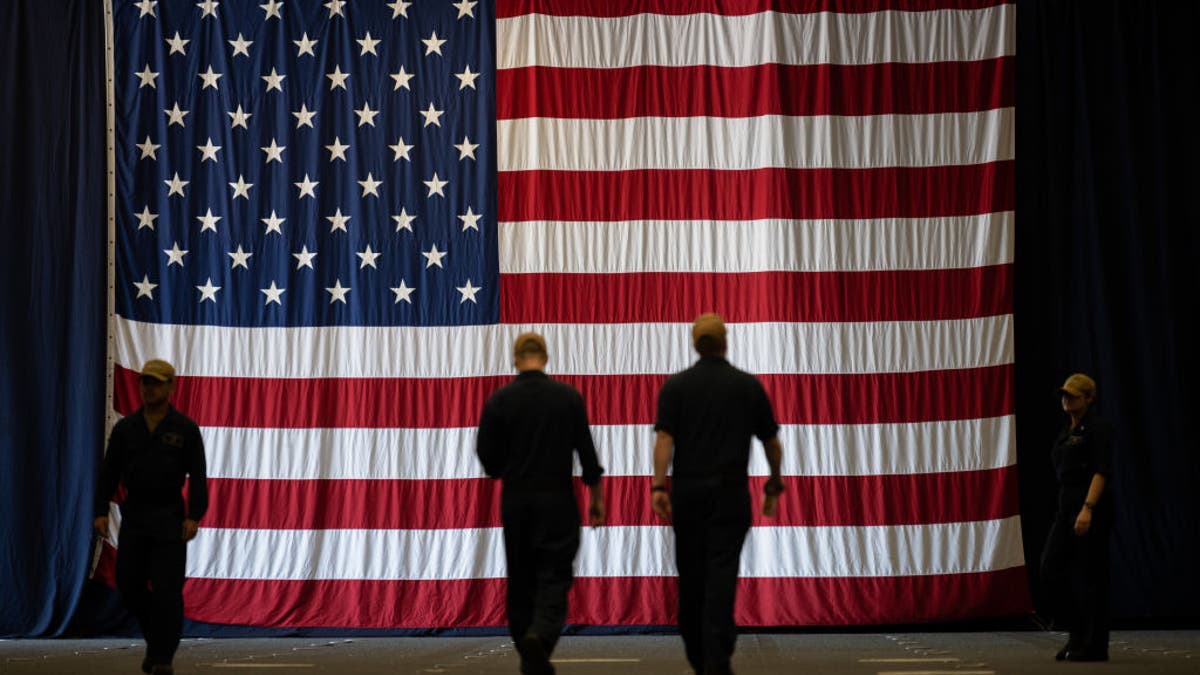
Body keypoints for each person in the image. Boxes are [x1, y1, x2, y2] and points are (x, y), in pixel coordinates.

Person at [651, 313, 784, 675]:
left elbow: (665, 439)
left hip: (689, 496)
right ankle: (717, 650)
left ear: (695, 344)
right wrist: (774, 478)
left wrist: (659, 485)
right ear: (725, 342)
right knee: (722, 574)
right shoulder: (746, 386)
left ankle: (699, 650)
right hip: (730, 495)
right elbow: (771, 441)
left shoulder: (676, 387)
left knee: (692, 576)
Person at [476, 333, 605, 675]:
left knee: (520, 579)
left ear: (516, 359)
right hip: (557, 500)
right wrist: (597, 497)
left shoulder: (500, 401)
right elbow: (587, 454)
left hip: (516, 500)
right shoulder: (567, 398)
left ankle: (528, 650)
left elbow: (487, 456)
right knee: (554, 576)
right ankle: (541, 637)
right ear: (545, 358)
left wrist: (505, 468)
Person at [93, 359, 208, 675]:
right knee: (128, 583)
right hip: (136, 515)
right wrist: (101, 510)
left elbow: (198, 475)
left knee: (167, 590)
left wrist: (195, 515)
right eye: (145, 382)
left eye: (157, 382)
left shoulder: (185, 429)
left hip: (170, 517)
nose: (149, 388)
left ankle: (162, 658)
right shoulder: (126, 428)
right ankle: (157, 639)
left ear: (170, 386)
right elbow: (109, 472)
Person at [1039, 372, 1114, 662]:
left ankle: (1094, 645)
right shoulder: (1067, 432)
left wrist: (1089, 508)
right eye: (1064, 394)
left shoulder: (1098, 428)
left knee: (1092, 577)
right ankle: (1076, 631)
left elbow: (1101, 471)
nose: (1066, 399)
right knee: (1051, 568)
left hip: (1090, 507)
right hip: (1065, 508)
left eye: (1072, 394)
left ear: (1089, 399)